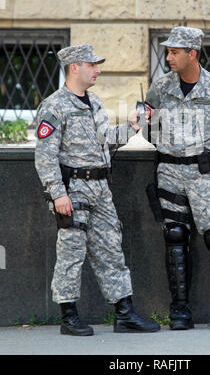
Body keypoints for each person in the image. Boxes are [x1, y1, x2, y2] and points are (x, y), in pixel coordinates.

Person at [34, 44, 160, 336]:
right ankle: (69, 316)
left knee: (111, 250)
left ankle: (125, 313)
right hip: (73, 190)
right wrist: (58, 193)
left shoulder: (95, 102)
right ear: (74, 67)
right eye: (92, 65)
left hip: (101, 189)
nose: (98, 70)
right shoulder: (55, 106)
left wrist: (132, 127)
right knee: (71, 253)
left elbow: (106, 141)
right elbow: (45, 155)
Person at [142, 27, 210, 330]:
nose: (169, 57)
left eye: (175, 52)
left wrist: (205, 154)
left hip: (202, 175)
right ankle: (180, 312)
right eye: (167, 51)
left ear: (192, 53)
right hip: (168, 171)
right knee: (175, 236)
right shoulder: (161, 88)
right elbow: (147, 128)